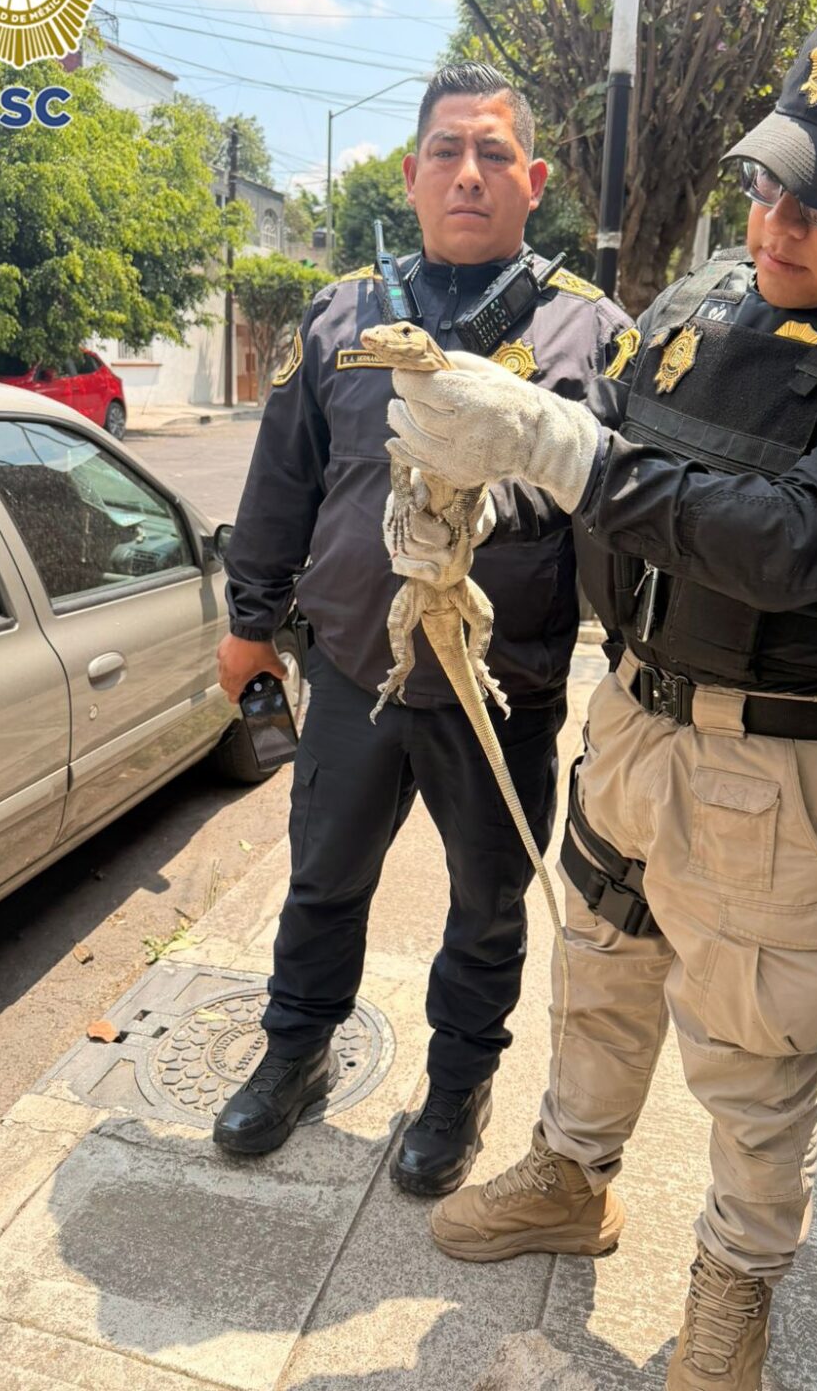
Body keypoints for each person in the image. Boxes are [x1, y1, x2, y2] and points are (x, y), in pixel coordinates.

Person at [384, 1, 817, 1387]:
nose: (776, 223)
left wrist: (553, 445)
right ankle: (569, 1175)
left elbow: (798, 539)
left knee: (753, 1055)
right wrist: (476, 496)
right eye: (766, 178)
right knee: (600, 970)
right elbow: (604, 468)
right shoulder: (695, 307)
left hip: (784, 774)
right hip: (632, 715)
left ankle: (735, 1281)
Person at [213, 62, 633, 1198]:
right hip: (356, 667)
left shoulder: (588, 333)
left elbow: (621, 504)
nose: (468, 173)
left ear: (533, 180)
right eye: (447, 151)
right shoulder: (347, 310)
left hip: (503, 690)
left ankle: (456, 1091)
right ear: (410, 173)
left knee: (487, 904)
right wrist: (252, 621)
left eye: (494, 154)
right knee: (323, 879)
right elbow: (283, 479)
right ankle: (296, 1054)